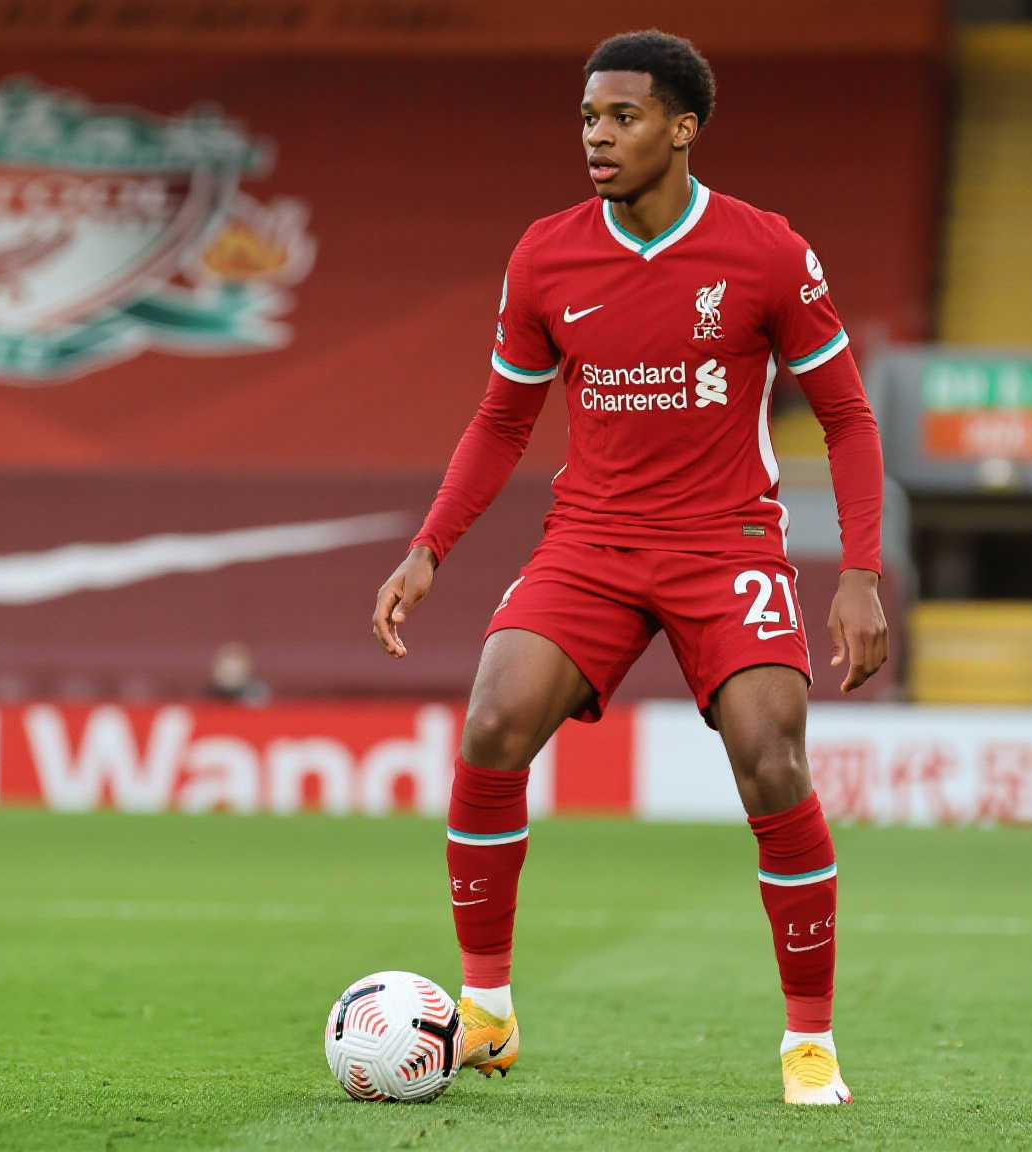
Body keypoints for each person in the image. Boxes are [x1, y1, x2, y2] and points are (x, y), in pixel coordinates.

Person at [370, 30, 887, 1106]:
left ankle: (809, 1043)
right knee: (491, 725)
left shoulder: (766, 252)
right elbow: (501, 420)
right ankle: (486, 1010)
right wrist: (429, 546)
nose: (596, 138)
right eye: (587, 119)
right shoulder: (545, 255)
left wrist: (858, 571)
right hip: (592, 542)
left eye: (622, 117)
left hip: (724, 541)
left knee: (770, 758)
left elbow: (845, 416)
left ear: (682, 128)